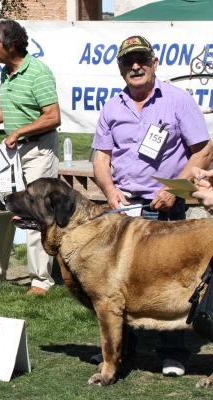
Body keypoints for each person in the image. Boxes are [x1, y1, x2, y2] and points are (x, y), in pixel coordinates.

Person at [92, 35, 213, 377]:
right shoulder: (113, 107)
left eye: (142, 58)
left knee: (170, 279)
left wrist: (174, 190)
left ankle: (171, 353)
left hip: (165, 206)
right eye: (128, 61)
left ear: (154, 62)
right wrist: (110, 190)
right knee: (118, 282)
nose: (136, 66)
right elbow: (101, 156)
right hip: (123, 208)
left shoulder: (177, 100)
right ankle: (117, 352)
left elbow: (204, 150)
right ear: (120, 68)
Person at [0, 19, 61, 295]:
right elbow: (11, 108)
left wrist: (19, 132)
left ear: (10, 45)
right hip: (13, 152)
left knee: (36, 212)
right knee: (1, 210)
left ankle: (40, 279)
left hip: (38, 150)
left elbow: (52, 117)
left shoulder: (39, 73)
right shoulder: (8, 73)